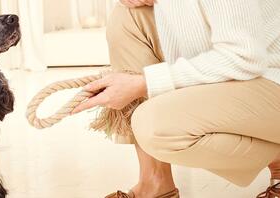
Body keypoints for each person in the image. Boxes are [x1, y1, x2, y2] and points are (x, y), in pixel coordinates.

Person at [71, 0, 280, 197]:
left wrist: (145, 83)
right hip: (246, 72)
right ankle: (155, 184)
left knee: (154, 125)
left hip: (270, 75)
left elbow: (244, 56)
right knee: (128, 17)